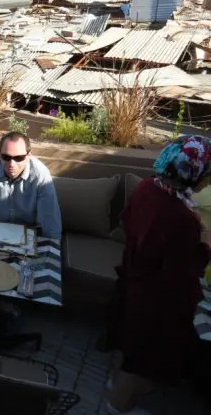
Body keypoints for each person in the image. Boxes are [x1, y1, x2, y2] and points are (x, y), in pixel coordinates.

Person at [105, 135, 211, 415]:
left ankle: (113, 385)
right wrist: (205, 245)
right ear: (194, 173)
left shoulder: (148, 187)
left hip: (131, 281)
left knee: (126, 345)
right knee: (141, 361)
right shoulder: (181, 219)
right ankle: (115, 405)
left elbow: (127, 222)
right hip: (155, 302)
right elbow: (180, 272)